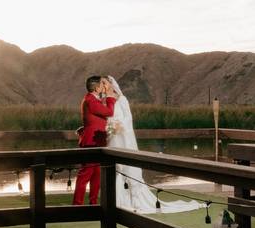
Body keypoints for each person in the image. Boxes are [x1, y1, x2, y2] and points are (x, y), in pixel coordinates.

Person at [105, 75, 201, 213]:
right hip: (112, 138)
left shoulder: (121, 99)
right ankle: (113, 198)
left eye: (104, 82)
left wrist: (119, 126)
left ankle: (134, 200)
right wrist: (109, 127)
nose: (103, 85)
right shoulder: (105, 101)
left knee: (126, 167)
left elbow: (128, 119)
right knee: (114, 167)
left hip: (123, 138)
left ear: (111, 83)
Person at [72, 75, 116, 205]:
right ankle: (77, 205)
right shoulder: (90, 100)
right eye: (102, 84)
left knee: (96, 175)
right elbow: (109, 112)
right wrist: (110, 97)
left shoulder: (94, 99)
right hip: (91, 142)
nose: (104, 86)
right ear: (97, 88)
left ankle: (93, 203)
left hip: (98, 142)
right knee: (85, 175)